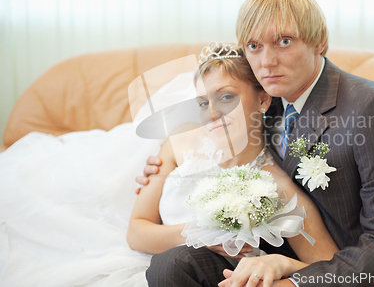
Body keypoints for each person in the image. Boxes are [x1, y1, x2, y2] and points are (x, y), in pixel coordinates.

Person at [141, 0, 374, 287]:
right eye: (254, 46)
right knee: (170, 266)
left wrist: (293, 277)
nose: (266, 62)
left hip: (330, 263)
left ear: (320, 41)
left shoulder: (372, 108)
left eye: (284, 41)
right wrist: (164, 171)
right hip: (258, 247)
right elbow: (217, 126)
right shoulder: (265, 96)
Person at [127, 42, 339, 284]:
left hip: (213, 276)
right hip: (154, 266)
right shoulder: (180, 142)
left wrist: (282, 264)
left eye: (226, 97)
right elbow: (136, 232)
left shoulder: (277, 186)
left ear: (263, 100)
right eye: (203, 103)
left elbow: (331, 267)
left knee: (174, 265)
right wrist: (200, 234)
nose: (212, 113)